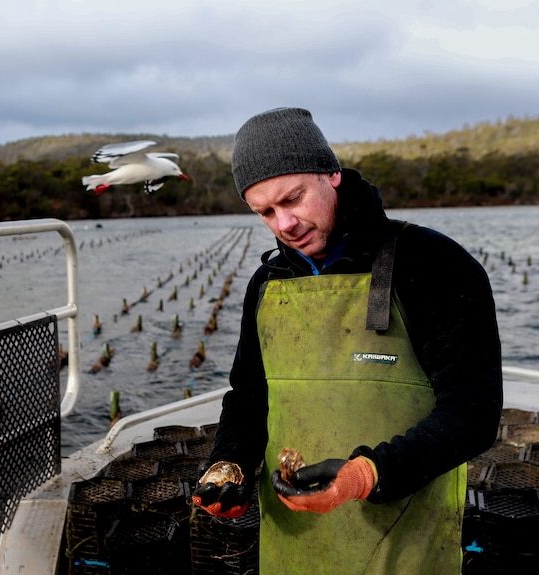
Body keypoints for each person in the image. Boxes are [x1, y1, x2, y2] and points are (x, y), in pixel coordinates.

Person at [192, 107, 502, 574]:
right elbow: (248, 398)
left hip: (404, 540)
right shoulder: (266, 283)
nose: (284, 225)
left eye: (292, 199)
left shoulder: (433, 262)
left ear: (331, 173)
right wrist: (229, 464)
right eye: (265, 213)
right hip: (292, 542)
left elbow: (473, 412)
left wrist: (365, 475)